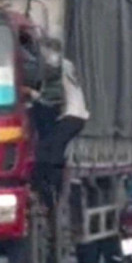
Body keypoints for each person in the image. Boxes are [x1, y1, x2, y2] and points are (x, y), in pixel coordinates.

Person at [31, 38, 89, 207]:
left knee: (47, 151)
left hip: (72, 115)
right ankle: (54, 187)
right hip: (74, 116)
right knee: (52, 148)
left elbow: (51, 97)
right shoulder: (66, 65)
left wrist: (32, 94)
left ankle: (52, 190)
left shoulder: (59, 65)